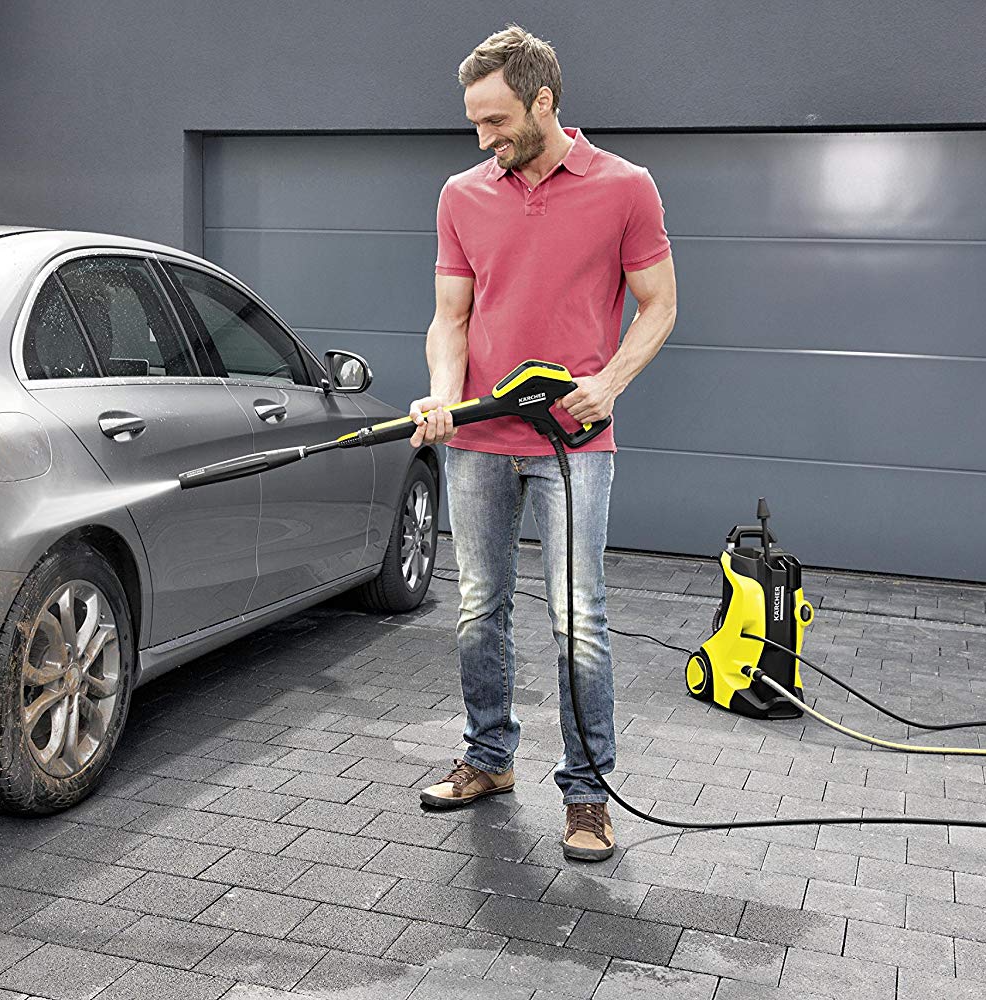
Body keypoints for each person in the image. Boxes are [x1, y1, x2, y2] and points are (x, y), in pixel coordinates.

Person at [411, 24, 677, 861]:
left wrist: (611, 381)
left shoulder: (625, 187)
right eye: (474, 123)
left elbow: (660, 304)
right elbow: (451, 319)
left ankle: (588, 794)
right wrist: (443, 393)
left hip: (574, 443)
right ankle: (489, 757)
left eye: (495, 120)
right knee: (478, 605)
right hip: (479, 439)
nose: (482, 139)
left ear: (544, 101)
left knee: (578, 618)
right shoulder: (462, 195)